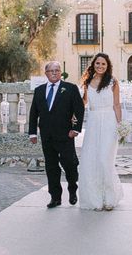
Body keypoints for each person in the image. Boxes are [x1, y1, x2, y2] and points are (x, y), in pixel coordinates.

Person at [28, 61, 85, 209]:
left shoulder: (70, 88)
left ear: (61, 73)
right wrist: (32, 133)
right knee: (51, 167)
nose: (54, 73)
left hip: (66, 135)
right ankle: (55, 197)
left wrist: (76, 128)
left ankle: (73, 189)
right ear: (46, 73)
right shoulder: (39, 90)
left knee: (70, 164)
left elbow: (79, 109)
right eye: (51, 71)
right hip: (47, 136)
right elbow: (34, 113)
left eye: (57, 70)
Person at [78, 52, 124, 211]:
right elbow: (82, 103)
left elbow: (117, 105)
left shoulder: (113, 82)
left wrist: (120, 125)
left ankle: (109, 198)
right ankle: (95, 199)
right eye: (98, 63)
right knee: (92, 160)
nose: (100, 66)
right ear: (93, 64)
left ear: (107, 66)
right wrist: (72, 117)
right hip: (93, 123)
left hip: (110, 123)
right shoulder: (87, 82)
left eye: (103, 64)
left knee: (105, 160)